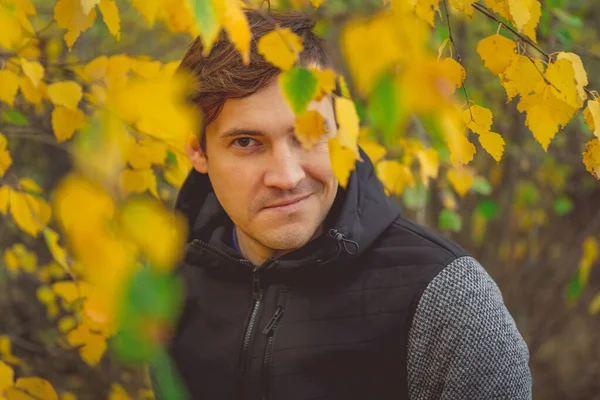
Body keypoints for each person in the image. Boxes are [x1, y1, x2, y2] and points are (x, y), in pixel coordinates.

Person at [151, 8, 532, 400]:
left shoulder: (445, 297)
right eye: (246, 142)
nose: (287, 176)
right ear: (197, 149)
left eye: (309, 132)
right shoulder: (170, 283)